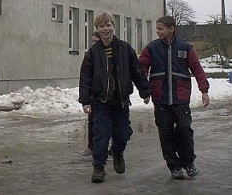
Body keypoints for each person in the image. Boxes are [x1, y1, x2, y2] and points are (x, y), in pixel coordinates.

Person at [78, 12, 151, 183]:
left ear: (114, 27)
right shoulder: (92, 53)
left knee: (122, 133)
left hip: (121, 100)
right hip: (100, 101)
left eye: (108, 25)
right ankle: (98, 167)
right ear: (97, 29)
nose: (106, 29)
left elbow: (137, 72)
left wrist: (145, 91)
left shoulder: (125, 49)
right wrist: (85, 100)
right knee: (101, 134)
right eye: (102, 26)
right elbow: (85, 78)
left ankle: (117, 153)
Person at [139, 15, 210, 180]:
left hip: (181, 98)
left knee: (185, 130)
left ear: (172, 29)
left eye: (161, 29)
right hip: (161, 99)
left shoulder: (185, 48)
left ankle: (189, 162)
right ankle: (174, 166)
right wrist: (145, 90)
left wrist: (204, 90)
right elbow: (141, 68)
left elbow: (197, 69)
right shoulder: (152, 48)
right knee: (166, 133)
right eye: (157, 29)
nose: (158, 32)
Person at [81, 31, 101, 157]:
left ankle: (114, 148)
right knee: (92, 121)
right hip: (94, 94)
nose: (93, 43)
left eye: (96, 41)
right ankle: (91, 146)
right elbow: (85, 78)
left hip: (108, 95)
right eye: (92, 41)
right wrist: (85, 99)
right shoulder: (90, 55)